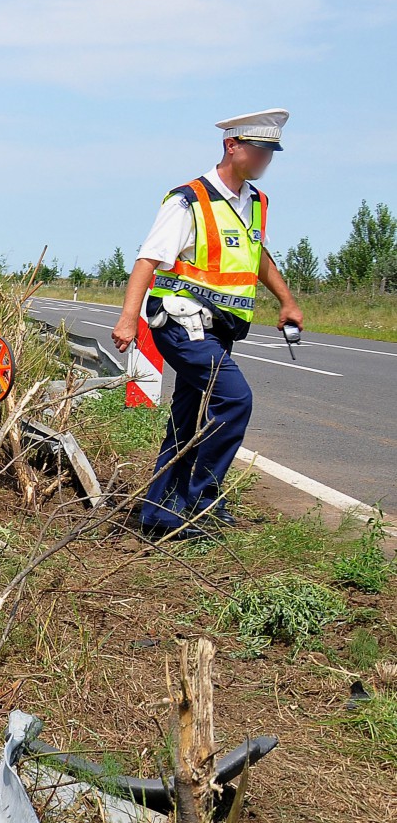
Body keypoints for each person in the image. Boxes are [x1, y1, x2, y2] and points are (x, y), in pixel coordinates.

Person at [109, 109, 302, 540]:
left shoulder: (256, 202)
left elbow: (257, 258)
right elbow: (147, 259)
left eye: (272, 151)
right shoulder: (188, 200)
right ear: (232, 146)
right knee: (235, 401)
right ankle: (201, 499)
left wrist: (286, 300)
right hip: (181, 323)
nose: (266, 158)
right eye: (260, 149)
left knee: (189, 417)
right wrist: (127, 318)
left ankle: (159, 511)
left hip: (220, 328)